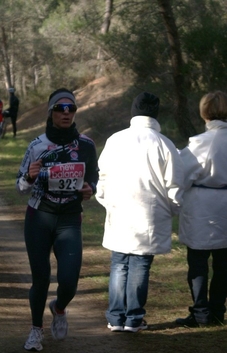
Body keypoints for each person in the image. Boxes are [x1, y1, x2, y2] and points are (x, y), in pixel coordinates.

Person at [16, 88, 99, 351]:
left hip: (69, 219)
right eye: (60, 109)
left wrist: (90, 189)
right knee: (40, 278)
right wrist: (29, 176)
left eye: (71, 108)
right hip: (39, 217)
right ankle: (36, 330)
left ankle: (59, 307)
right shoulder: (37, 146)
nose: (66, 113)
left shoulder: (86, 145)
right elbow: (19, 186)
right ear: (50, 112)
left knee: (70, 280)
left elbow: (94, 178)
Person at [96, 92, 184, 333]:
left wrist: (107, 201)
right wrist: (172, 210)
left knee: (119, 263)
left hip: (120, 209)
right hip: (150, 214)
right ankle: (134, 319)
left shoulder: (115, 139)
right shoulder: (165, 143)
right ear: (155, 114)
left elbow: (101, 176)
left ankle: (115, 317)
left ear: (133, 112)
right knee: (140, 264)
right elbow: (175, 185)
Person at [176, 90, 227, 328]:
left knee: (197, 262)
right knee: (223, 263)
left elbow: (181, 175)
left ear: (204, 112)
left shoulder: (200, 143)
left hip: (202, 207)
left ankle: (200, 312)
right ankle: (217, 311)